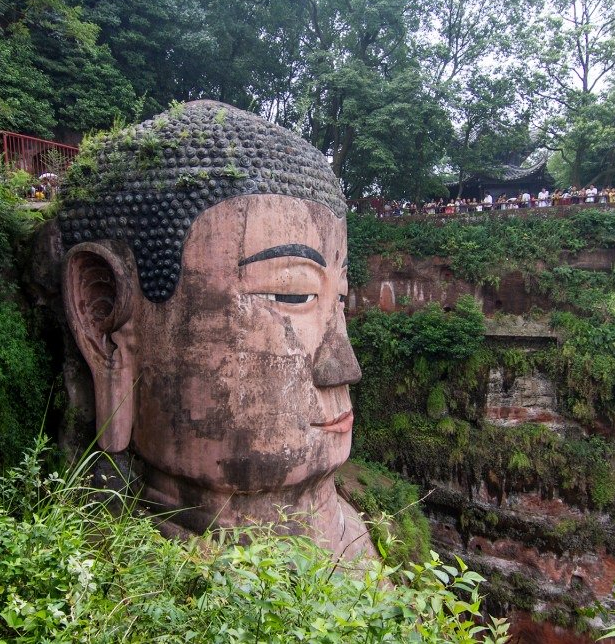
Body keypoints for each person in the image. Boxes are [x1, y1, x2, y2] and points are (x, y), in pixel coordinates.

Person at [50, 101, 373, 560]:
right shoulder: (124, 592)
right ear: (104, 320)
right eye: (292, 294)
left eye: (339, 300)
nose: (344, 366)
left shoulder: (358, 540)